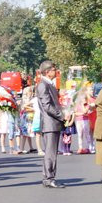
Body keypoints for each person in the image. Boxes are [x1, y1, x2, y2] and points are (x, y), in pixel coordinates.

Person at [36, 60, 66, 188]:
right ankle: (49, 178)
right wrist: (62, 115)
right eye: (54, 70)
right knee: (50, 153)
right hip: (50, 123)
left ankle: (49, 177)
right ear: (47, 72)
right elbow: (47, 106)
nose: (56, 72)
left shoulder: (48, 84)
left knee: (52, 152)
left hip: (52, 122)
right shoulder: (43, 85)